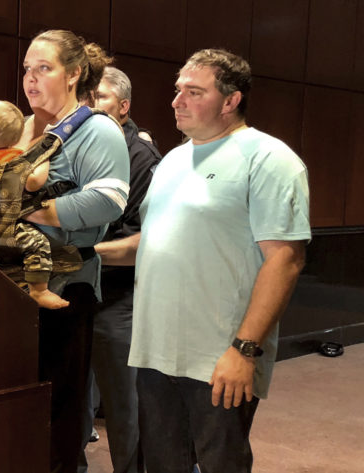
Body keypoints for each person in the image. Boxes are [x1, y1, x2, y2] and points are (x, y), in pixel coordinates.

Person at [118, 49, 310, 472]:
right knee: (165, 465)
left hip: (220, 357)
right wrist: (79, 255)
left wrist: (244, 350)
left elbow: (285, 260)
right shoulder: (171, 160)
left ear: (230, 101)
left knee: (221, 463)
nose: (177, 101)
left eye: (193, 92)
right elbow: (149, 244)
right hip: (155, 353)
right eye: (177, 90)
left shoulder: (268, 159)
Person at [17, 30, 130, 473]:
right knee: (27, 406)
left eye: (43, 68)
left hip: (66, 288)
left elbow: (108, 200)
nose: (30, 79)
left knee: (58, 409)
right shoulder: (34, 130)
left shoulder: (96, 128)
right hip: (20, 283)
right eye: (27, 69)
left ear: (76, 73)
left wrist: (32, 213)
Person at [79, 66, 162, 473]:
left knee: (124, 409)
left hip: (119, 299)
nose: (90, 106)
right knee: (68, 400)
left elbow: (143, 243)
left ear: (124, 107)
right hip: (72, 292)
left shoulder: (142, 157)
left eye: (100, 99)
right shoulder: (74, 147)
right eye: (86, 98)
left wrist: (75, 251)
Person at [0, 99, 70, 309]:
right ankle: (39, 290)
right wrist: (42, 157)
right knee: (37, 243)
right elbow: (34, 181)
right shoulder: (14, 160)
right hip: (1, 230)